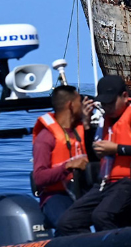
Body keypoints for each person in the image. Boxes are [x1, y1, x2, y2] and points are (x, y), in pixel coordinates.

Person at [55, 75, 131, 235]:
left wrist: (118, 149)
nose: (107, 107)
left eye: (111, 102)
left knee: (102, 216)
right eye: (104, 103)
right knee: (68, 222)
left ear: (124, 96)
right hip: (105, 184)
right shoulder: (104, 120)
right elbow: (94, 158)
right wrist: (86, 127)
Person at [30, 84, 91, 230]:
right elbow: (39, 178)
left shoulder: (83, 130)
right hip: (56, 196)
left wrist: (87, 125)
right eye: (79, 101)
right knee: (70, 225)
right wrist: (67, 167)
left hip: (83, 192)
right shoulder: (46, 137)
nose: (82, 104)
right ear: (70, 105)